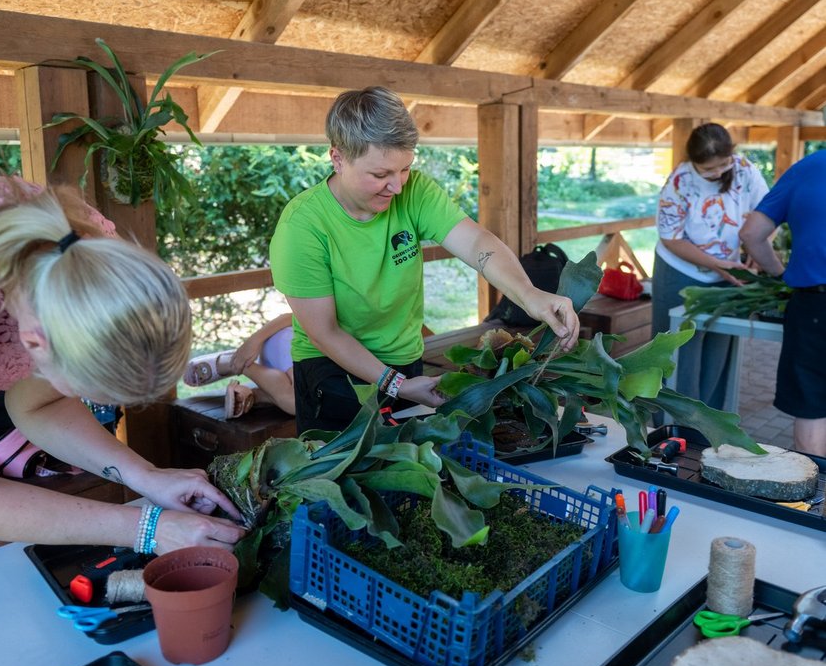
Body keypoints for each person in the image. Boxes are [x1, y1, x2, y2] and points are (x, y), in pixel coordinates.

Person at [0, 175, 245, 575]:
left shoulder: (87, 253)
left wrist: (148, 477)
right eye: (89, 391)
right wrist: (149, 528)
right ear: (34, 344)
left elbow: (39, 402)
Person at [269, 86, 579, 434]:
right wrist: (395, 384)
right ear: (338, 159)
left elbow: (476, 241)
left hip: (405, 359)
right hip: (334, 370)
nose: (397, 186)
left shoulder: (416, 190)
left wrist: (529, 295)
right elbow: (326, 332)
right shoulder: (302, 227)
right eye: (380, 174)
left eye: (405, 169)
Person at [651, 123, 769, 410]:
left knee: (719, 347)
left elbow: (767, 212)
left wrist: (758, 247)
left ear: (733, 155)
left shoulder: (744, 169)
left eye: (723, 165)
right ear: (693, 162)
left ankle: (710, 424)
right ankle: (675, 427)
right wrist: (716, 264)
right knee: (680, 350)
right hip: (682, 271)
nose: (717, 173)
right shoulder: (679, 182)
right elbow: (672, 239)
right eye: (708, 170)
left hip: (728, 271)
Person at [740, 150, 826, 457]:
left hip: (816, 307)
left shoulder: (807, 169)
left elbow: (751, 234)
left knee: (812, 409)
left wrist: (779, 273)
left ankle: (816, 500)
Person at [184, 312, 296, 418]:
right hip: (288, 346)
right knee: (298, 403)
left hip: (285, 376)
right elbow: (292, 317)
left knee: (302, 403)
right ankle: (233, 362)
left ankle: (257, 395)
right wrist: (253, 341)